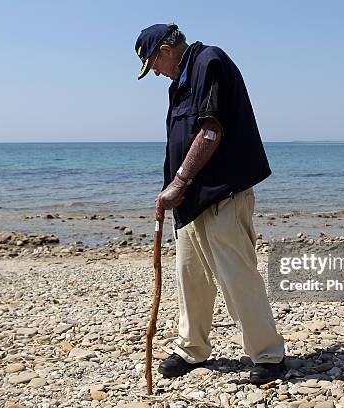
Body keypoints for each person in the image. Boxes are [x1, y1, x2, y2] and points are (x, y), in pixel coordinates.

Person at [134, 23, 286, 385]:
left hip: (221, 194)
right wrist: (175, 187)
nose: (155, 71)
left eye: (152, 63)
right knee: (191, 278)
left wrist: (179, 181)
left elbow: (211, 130)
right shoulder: (182, 79)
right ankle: (192, 349)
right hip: (191, 201)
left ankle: (268, 355)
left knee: (237, 276)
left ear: (166, 49)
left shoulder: (208, 62)